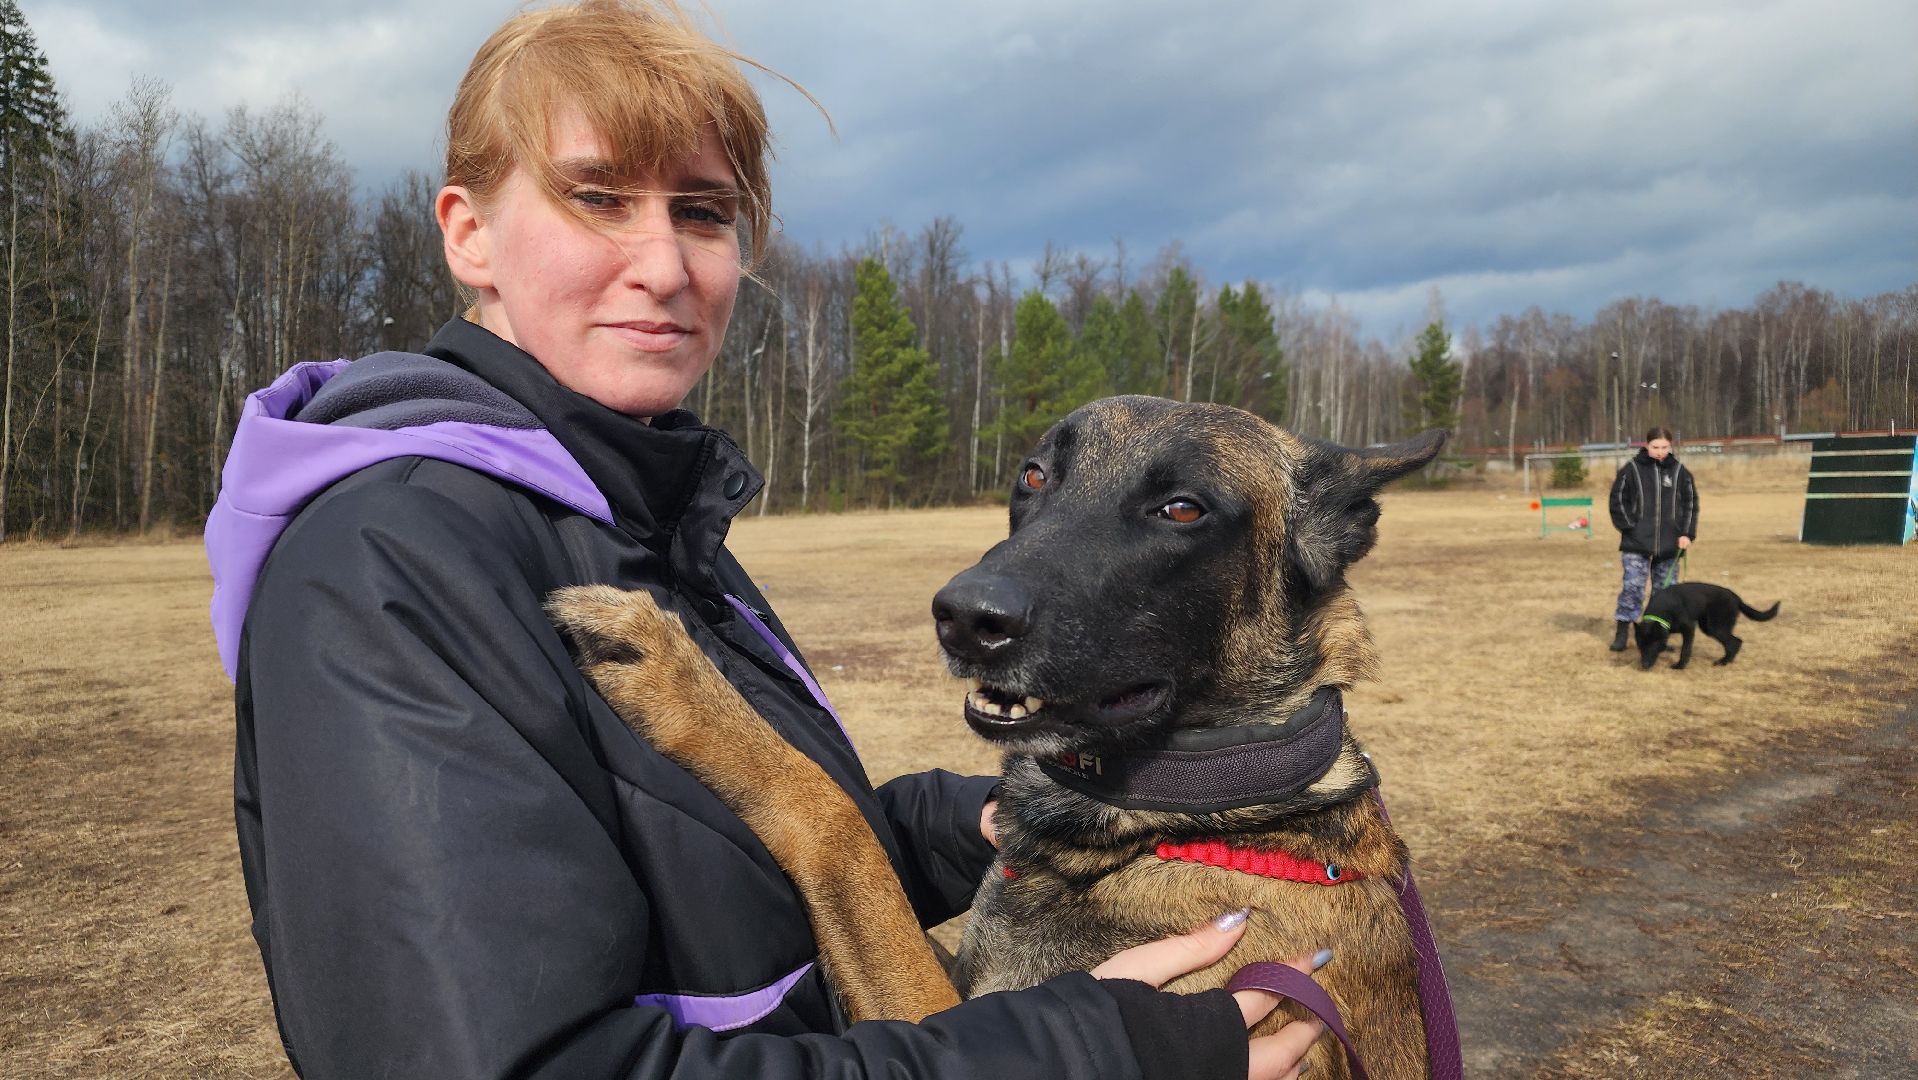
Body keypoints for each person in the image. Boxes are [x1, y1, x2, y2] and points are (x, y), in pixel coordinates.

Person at [203, 3, 1330, 1078]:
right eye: (597, 198)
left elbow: (718, 887)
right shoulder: (387, 560)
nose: (664, 266)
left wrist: (968, 822)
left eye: (701, 212)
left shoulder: (627, 514)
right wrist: (1093, 1053)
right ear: (468, 235)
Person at [1607, 425, 1699, 650]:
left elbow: (1690, 504)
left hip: (1670, 545)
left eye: (1664, 447)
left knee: (1664, 595)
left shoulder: (1679, 472)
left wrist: (1686, 533)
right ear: (1646, 445)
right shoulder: (1631, 470)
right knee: (1632, 588)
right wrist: (1630, 527)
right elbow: (1617, 500)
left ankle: (1659, 635)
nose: (1660, 451)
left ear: (1671, 446)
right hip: (1636, 544)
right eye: (1655, 447)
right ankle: (1622, 631)